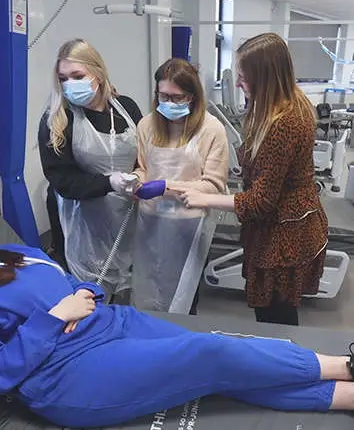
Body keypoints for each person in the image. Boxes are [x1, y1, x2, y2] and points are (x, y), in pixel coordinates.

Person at [0, 192, 354, 429]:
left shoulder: (10, 252)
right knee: (210, 356)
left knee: (219, 365)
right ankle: (343, 367)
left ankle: (346, 396)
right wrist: (51, 319)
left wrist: (86, 296)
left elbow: (68, 283)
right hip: (67, 373)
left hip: (111, 324)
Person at [177, 33, 328, 326]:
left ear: (265, 78)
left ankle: (287, 368)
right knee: (278, 314)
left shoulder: (283, 123)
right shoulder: (290, 104)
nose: (237, 83)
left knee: (276, 319)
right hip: (293, 222)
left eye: (243, 77)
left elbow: (261, 201)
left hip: (283, 234)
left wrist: (205, 197)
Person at [38, 38, 143, 302]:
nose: (70, 84)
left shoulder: (126, 108)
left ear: (98, 73)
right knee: (93, 299)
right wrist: (109, 183)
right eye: (63, 78)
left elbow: (145, 154)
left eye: (77, 76)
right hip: (85, 223)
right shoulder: (58, 119)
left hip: (129, 216)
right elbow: (61, 179)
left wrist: (141, 174)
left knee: (131, 293)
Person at [130, 58, 229, 313]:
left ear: (193, 97)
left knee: (184, 296)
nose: (169, 103)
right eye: (163, 96)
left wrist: (166, 186)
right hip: (150, 223)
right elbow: (142, 166)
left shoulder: (211, 129)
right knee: (149, 287)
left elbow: (214, 185)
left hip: (189, 224)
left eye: (178, 97)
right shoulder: (147, 125)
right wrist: (136, 181)